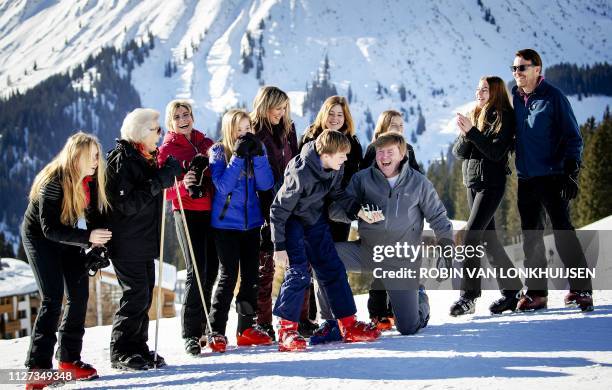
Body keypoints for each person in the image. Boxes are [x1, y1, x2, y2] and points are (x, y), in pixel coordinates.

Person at [314, 133, 450, 343]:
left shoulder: (418, 183)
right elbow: (335, 210)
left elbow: (439, 217)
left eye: (390, 152)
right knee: (322, 257)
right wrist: (358, 211)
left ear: (402, 154)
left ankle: (419, 297)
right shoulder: (362, 179)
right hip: (367, 251)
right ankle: (331, 321)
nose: (384, 157)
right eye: (380, 152)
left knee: (408, 328)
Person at [271, 130, 381, 352]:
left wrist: (359, 211)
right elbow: (278, 209)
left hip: (315, 219)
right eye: (342, 155)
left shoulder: (334, 169)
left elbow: (338, 194)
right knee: (299, 272)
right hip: (292, 221)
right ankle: (286, 330)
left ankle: (348, 324)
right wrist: (279, 246)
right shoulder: (300, 172)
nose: (346, 159)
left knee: (333, 267)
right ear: (327, 154)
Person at [21, 132, 111, 388]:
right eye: (92, 156)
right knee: (52, 297)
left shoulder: (90, 180)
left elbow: (94, 216)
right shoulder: (53, 181)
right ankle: (37, 369)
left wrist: (96, 243)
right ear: (78, 156)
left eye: (97, 155)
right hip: (40, 237)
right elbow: (48, 228)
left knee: (79, 294)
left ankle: (69, 360)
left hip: (67, 235)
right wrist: (86, 237)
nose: (97, 160)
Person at [511, 48, 593, 311]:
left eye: (522, 68)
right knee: (531, 238)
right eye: (514, 69)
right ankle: (537, 293)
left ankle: (581, 289)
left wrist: (571, 172)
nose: (517, 73)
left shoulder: (554, 97)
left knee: (562, 232)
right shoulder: (515, 97)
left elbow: (573, 137)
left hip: (553, 176)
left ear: (537, 69)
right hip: (526, 179)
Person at [106, 108, 182, 370]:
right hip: (127, 242)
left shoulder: (143, 157)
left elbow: (149, 190)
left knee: (144, 293)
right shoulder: (123, 161)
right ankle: (121, 351)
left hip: (142, 240)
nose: (160, 134)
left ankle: (138, 346)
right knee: (135, 294)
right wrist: (159, 180)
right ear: (140, 132)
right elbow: (126, 205)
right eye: (155, 129)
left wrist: (164, 173)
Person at [451, 76, 523, 316]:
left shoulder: (505, 117)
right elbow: (459, 153)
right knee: (488, 240)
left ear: (496, 92)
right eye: (477, 89)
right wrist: (466, 133)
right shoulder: (476, 114)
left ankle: (468, 297)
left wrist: (472, 132)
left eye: (484, 90)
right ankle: (512, 291)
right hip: (472, 182)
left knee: (471, 238)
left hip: (491, 184)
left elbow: (494, 152)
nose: (479, 93)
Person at [207, 109, 275, 352]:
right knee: (228, 277)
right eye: (240, 129)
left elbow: (266, 184)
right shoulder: (218, 151)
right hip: (225, 225)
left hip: (251, 223)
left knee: (251, 277)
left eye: (248, 129)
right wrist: (236, 156)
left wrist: (258, 156)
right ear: (229, 130)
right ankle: (216, 331)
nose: (245, 134)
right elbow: (222, 186)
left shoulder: (257, 149)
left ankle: (245, 328)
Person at [157, 99, 219, 356]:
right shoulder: (167, 150)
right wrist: (183, 184)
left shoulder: (206, 143)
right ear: (171, 121)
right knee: (196, 269)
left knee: (213, 268)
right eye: (178, 116)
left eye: (187, 114)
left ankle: (205, 325)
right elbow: (162, 191)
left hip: (212, 211)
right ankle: (191, 333)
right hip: (186, 211)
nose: (183, 119)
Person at [251, 86, 311, 340]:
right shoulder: (253, 130)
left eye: (285, 107)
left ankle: (301, 318)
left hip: (290, 199)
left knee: (300, 260)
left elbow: (296, 161)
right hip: (262, 201)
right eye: (277, 107)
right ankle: (262, 322)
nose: (281, 112)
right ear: (265, 106)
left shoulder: (289, 129)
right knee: (265, 264)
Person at [360, 109, 423, 330]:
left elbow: (417, 178)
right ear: (383, 126)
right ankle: (378, 313)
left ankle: (397, 309)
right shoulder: (373, 150)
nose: (398, 128)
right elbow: (364, 179)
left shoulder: (409, 150)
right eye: (393, 124)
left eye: (401, 126)